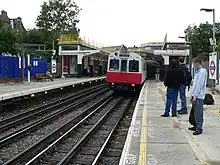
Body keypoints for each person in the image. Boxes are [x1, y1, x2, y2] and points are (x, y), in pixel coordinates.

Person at [189, 57, 207, 135]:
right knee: (194, 112)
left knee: (198, 112)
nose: (193, 66)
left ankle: (199, 128)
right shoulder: (198, 72)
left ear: (197, 63)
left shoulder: (202, 72)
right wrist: (192, 95)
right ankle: (195, 125)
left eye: (194, 64)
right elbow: (195, 85)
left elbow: (199, 85)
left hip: (199, 96)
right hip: (195, 95)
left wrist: (195, 96)